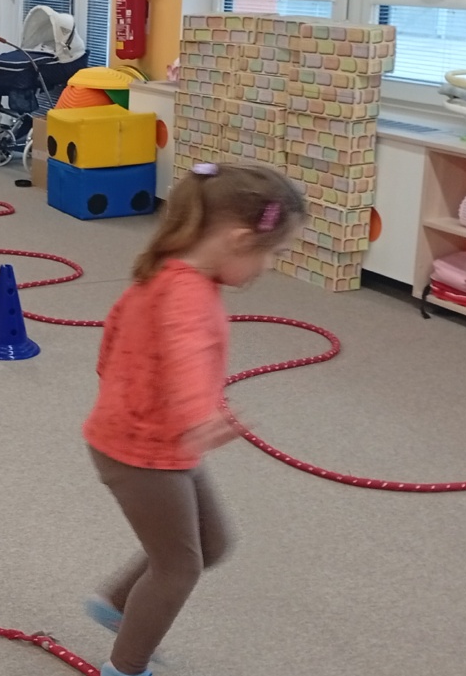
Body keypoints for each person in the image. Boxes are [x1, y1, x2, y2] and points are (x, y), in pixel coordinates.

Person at [81, 162, 304, 676]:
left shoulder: (171, 271)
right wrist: (196, 412)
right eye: (271, 253)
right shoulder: (185, 293)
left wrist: (146, 398)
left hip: (158, 438)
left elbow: (114, 338)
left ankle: (117, 605)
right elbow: (184, 351)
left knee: (212, 544)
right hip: (139, 451)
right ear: (238, 240)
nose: (269, 266)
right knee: (179, 567)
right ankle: (125, 668)